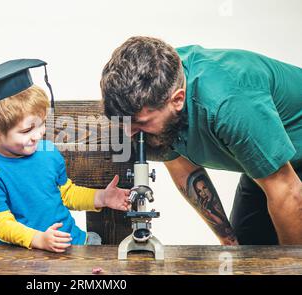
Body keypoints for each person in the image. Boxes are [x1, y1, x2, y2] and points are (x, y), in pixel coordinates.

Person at [100, 36, 302, 245]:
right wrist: (229, 243)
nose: (129, 133)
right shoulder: (161, 83)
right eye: (122, 122)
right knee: (244, 254)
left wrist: (289, 268)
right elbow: (182, 166)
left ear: (178, 100)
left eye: (139, 123)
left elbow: (288, 192)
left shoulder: (229, 103)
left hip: (288, 174)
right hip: (270, 168)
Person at [0, 59, 130, 252]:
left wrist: (101, 197)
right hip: (23, 257)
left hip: (72, 243)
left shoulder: (48, 153)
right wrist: (37, 239)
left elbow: (65, 193)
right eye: (27, 130)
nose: (38, 134)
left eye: (42, 124)